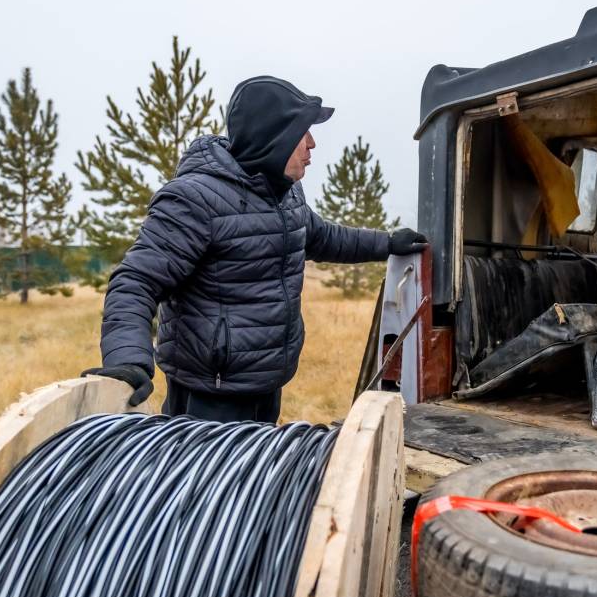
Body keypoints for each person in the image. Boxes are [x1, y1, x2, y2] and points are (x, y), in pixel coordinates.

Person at [82, 76, 427, 422]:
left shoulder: (285, 193)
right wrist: (127, 360)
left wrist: (387, 243)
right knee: (209, 462)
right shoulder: (195, 199)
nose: (312, 144)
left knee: (259, 459)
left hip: (266, 381)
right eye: (302, 133)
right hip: (210, 394)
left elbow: (323, 237)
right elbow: (135, 282)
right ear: (274, 138)